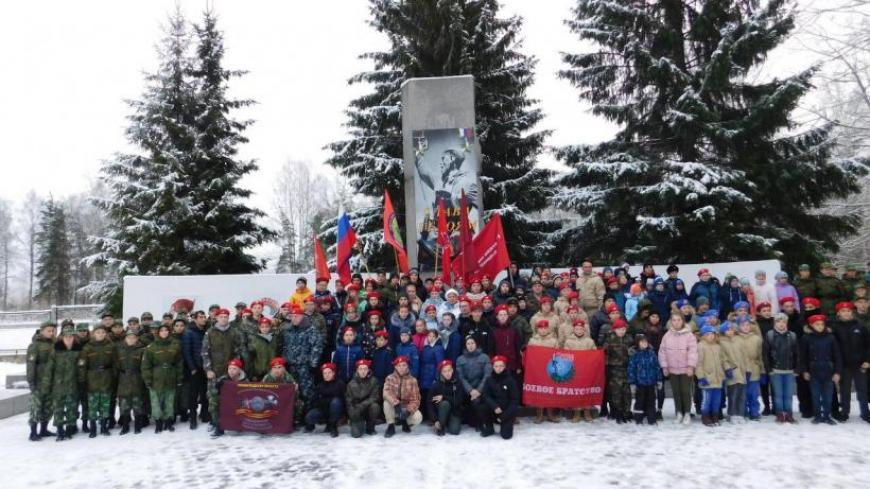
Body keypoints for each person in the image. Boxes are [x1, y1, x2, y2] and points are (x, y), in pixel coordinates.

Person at [280, 305, 324, 425]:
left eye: (296, 316)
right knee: (293, 392)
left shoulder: (311, 329)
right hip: (291, 366)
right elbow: (285, 347)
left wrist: (313, 363)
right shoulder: (288, 330)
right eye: (292, 316)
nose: (294, 318)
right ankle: (294, 418)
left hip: (305, 366)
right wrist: (285, 361)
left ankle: (308, 419)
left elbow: (317, 346)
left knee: (307, 392)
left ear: (302, 316)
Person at [830, 302, 870, 423]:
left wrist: (868, 360)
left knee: (862, 390)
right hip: (844, 365)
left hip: (860, 365)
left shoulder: (861, 327)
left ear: (852, 312)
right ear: (838, 313)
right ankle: (844, 412)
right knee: (844, 390)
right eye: (843, 311)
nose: (846, 313)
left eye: (848, 311)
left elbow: (868, 346)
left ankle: (865, 412)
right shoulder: (835, 328)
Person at [800, 314, 842, 425]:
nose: (820, 326)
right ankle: (818, 415)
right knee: (815, 395)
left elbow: (837, 356)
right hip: (814, 372)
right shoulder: (806, 338)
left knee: (828, 396)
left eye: (822, 324)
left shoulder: (830, 337)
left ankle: (827, 415)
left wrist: (837, 372)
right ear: (811, 325)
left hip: (828, 371)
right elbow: (802, 356)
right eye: (817, 324)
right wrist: (804, 371)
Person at [142, 323, 183, 433]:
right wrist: (148, 379)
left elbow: (179, 362)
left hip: (170, 375)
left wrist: (179, 376)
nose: (164, 332)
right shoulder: (151, 347)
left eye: (166, 330)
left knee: (169, 401)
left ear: (169, 332)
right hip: (156, 377)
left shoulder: (175, 345)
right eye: (161, 331)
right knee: (156, 402)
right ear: (158, 333)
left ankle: (168, 421)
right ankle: (158, 423)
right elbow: (145, 366)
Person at [658, 315, 697, 425]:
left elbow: (693, 352)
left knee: (685, 391)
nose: (676, 322)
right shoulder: (667, 336)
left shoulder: (689, 335)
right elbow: (662, 352)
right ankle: (679, 412)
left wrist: (690, 366)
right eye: (674, 320)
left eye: (679, 320)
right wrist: (665, 366)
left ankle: (687, 413)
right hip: (672, 369)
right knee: (676, 392)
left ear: (683, 321)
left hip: (686, 369)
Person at [763, 313, 800, 423]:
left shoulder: (792, 336)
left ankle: (788, 413)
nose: (781, 324)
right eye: (778, 322)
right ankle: (780, 413)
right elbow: (765, 354)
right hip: (775, 371)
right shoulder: (770, 335)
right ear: (775, 323)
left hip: (789, 370)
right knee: (778, 395)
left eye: (783, 322)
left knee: (788, 395)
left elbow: (797, 353)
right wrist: (769, 369)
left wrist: (797, 369)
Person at [26, 321, 56, 441]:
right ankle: (33, 432)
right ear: (42, 330)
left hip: (51, 381)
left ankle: (44, 429)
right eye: (49, 330)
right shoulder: (35, 345)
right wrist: (31, 382)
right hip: (39, 380)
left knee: (48, 407)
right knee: (36, 407)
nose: (51, 332)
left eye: (53, 330)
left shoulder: (55, 343)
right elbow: (30, 365)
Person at [51, 327, 82, 441]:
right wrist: (47, 384)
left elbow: (81, 369)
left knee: (72, 407)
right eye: (66, 337)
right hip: (58, 385)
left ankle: (70, 428)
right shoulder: (55, 351)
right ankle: (59, 429)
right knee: (58, 408)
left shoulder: (78, 351)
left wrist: (81, 383)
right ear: (62, 337)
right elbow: (49, 369)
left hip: (73, 385)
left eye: (71, 337)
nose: (69, 339)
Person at [696, 325, 730, 427]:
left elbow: (723, 360)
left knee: (716, 399)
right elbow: (698, 363)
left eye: (713, 334)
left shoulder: (718, 346)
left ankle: (715, 415)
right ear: (704, 336)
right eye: (708, 334)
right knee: (707, 400)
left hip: (718, 378)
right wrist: (701, 376)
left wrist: (727, 369)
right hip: (707, 378)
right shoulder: (701, 346)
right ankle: (705, 416)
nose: (711, 336)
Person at [479, 355, 520, 439]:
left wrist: (504, 416)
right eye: (496, 366)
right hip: (494, 409)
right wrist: (494, 406)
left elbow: (514, 400)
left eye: (501, 366)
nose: (498, 368)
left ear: (505, 366)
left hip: (506, 411)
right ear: (493, 367)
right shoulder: (489, 379)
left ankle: (504, 424)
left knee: (506, 435)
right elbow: (485, 395)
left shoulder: (510, 380)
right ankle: (489, 428)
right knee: (481, 406)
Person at [456, 336, 492, 428]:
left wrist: (478, 390)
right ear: (465, 346)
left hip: (480, 388)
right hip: (466, 389)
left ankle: (480, 422)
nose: (470, 345)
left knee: (478, 401)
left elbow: (487, 375)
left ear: (476, 344)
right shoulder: (460, 359)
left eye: (472, 343)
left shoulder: (484, 357)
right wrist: (470, 390)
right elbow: (460, 377)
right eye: (468, 344)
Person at [182, 307, 209, 430]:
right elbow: (186, 352)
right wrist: (192, 368)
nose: (203, 319)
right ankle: (193, 418)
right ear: (195, 319)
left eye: (204, 317)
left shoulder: (207, 331)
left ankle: (204, 414)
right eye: (201, 317)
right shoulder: (189, 332)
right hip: (194, 369)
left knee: (205, 393)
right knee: (193, 395)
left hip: (205, 368)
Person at [114, 330, 146, 435]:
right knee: (124, 405)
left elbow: (144, 366)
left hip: (137, 378)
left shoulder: (141, 350)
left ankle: (137, 426)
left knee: (137, 404)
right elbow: (116, 366)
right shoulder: (119, 351)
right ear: (125, 339)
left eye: (133, 338)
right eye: (129, 337)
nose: (131, 339)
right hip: (123, 379)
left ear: (137, 339)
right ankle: (125, 426)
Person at [382, 356, 423, 437]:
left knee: (418, 417)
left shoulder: (413, 380)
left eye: (404, 365)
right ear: (395, 367)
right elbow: (386, 393)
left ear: (407, 366)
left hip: (405, 407)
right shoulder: (390, 378)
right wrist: (396, 404)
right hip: (395, 406)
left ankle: (405, 422)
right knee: (386, 402)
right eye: (399, 366)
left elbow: (416, 399)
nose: (401, 368)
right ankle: (391, 425)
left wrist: (408, 411)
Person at [627, 334, 662, 425]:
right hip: (640, 383)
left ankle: (652, 418)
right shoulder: (635, 355)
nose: (644, 343)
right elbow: (631, 369)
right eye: (642, 342)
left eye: (646, 342)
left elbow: (656, 367)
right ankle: (638, 418)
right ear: (638, 343)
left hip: (651, 382)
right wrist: (632, 382)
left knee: (651, 400)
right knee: (639, 401)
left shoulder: (652, 353)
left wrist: (659, 379)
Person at [604, 319, 633, 423]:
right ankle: (618, 412)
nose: (622, 331)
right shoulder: (610, 339)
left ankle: (627, 412)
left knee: (627, 393)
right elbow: (604, 354)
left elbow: (633, 350)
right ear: (614, 330)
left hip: (626, 370)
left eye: (623, 329)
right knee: (616, 393)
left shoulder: (629, 339)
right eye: (619, 329)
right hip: (614, 371)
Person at [208, 358, 247, 437]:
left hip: (240, 403)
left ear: (239, 370)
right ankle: (218, 426)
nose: (231, 371)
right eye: (229, 368)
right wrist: (217, 387)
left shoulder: (245, 380)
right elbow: (213, 392)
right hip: (227, 403)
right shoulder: (223, 378)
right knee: (214, 402)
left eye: (234, 369)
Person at [305, 363, 346, 437]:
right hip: (323, 409)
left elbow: (343, 400)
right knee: (310, 416)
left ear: (333, 373)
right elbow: (314, 400)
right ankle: (311, 426)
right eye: (324, 373)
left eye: (329, 372)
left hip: (336, 410)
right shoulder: (320, 385)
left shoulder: (340, 384)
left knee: (335, 402)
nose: (327, 375)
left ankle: (333, 426)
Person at [735, 317, 764, 421]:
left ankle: (754, 412)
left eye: (748, 325)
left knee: (753, 394)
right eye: (743, 325)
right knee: (743, 394)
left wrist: (762, 370)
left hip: (753, 369)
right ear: (738, 326)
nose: (746, 327)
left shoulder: (756, 339)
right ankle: (743, 412)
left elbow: (760, 355)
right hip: (741, 370)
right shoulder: (735, 338)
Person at [718, 322, 746, 423]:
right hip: (732, 371)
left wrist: (747, 369)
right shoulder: (721, 342)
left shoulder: (739, 340)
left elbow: (744, 356)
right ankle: (732, 413)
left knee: (741, 393)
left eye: (731, 329)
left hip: (742, 370)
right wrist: (727, 368)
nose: (730, 331)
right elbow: (723, 358)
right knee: (733, 393)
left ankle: (741, 413)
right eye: (727, 329)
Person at [346, 359, 381, 437]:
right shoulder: (351, 384)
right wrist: (352, 414)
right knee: (356, 435)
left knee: (375, 406)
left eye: (365, 369)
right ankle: (357, 423)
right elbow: (349, 401)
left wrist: (362, 405)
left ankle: (370, 427)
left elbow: (375, 397)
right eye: (360, 369)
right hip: (357, 411)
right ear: (357, 370)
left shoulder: (374, 381)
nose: (363, 371)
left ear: (368, 370)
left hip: (367, 408)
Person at [428, 359, 464, 435]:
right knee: (445, 404)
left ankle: (448, 422)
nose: (447, 373)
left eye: (449, 370)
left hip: (454, 412)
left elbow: (459, 400)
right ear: (441, 372)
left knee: (455, 431)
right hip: (441, 411)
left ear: (452, 370)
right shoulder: (436, 385)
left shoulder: (458, 383)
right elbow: (429, 403)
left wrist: (444, 397)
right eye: (444, 371)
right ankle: (441, 426)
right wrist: (435, 420)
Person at [247, 316, 279, 381]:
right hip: (258, 372)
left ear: (270, 327)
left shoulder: (275, 339)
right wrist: (252, 374)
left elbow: (278, 354)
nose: (265, 329)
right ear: (259, 327)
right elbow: (251, 358)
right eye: (262, 327)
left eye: (267, 326)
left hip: (272, 372)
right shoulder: (254, 340)